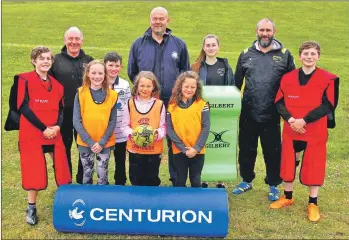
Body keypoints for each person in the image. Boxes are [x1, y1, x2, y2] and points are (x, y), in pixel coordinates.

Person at [270, 41, 339, 222]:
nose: (309, 57)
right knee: (287, 160)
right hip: (291, 127)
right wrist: (292, 120)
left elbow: (329, 104)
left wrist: (304, 120)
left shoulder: (329, 78)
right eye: (305, 54)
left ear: (318, 56)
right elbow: (279, 101)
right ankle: (287, 196)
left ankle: (312, 202)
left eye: (312, 54)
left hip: (315, 129)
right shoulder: (287, 78)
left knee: (314, 162)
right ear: (300, 56)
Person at [233, 18, 295, 201]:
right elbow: (236, 85)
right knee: (246, 148)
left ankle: (274, 184)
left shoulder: (285, 55)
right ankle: (246, 180)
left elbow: (292, 85)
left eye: (268, 30)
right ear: (256, 31)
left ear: (274, 31)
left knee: (273, 150)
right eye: (262, 30)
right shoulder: (246, 54)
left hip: (272, 113)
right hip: (248, 112)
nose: (265, 34)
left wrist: (288, 111)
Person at [128, 6, 190, 186]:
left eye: (161, 18)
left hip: (172, 103)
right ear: (150, 20)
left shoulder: (179, 44)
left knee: (173, 139)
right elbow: (133, 72)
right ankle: (142, 179)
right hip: (147, 104)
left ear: (168, 21)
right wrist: (146, 93)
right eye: (155, 18)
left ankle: (176, 178)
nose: (158, 21)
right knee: (144, 136)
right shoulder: (138, 44)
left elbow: (185, 73)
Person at [15, 46, 71, 225]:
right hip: (33, 133)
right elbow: (23, 106)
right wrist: (43, 128)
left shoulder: (58, 86)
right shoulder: (24, 79)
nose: (45, 61)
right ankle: (31, 207)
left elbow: (61, 109)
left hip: (53, 132)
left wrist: (56, 127)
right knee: (34, 169)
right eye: (41, 58)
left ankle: (66, 202)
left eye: (48, 58)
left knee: (61, 164)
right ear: (34, 61)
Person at [49, 26, 94, 184]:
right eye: (70, 38)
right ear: (65, 40)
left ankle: (83, 181)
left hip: (85, 114)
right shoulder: (55, 61)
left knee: (84, 148)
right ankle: (64, 181)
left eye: (77, 39)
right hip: (63, 114)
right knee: (63, 149)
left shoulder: (89, 61)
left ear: (82, 40)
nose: (73, 42)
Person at [192, 34, 234, 189]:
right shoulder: (196, 67)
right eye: (207, 45)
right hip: (202, 112)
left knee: (220, 143)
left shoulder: (225, 66)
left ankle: (220, 179)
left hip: (221, 113)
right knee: (205, 142)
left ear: (218, 47)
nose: (210, 48)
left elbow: (231, 87)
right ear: (204, 47)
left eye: (213, 45)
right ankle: (203, 177)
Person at [72, 60, 118, 185]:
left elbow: (112, 120)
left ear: (105, 75)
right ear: (87, 74)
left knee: (102, 174)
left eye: (100, 73)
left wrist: (102, 142)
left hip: (104, 142)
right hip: (85, 142)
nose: (97, 76)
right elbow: (76, 120)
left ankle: (101, 201)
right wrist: (90, 142)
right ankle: (87, 201)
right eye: (93, 73)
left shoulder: (112, 95)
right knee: (87, 174)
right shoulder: (80, 93)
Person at [121, 71, 166, 186]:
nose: (145, 89)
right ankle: (136, 203)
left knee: (152, 179)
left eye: (148, 86)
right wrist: (134, 134)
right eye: (142, 86)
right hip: (135, 150)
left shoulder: (160, 104)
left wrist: (157, 133)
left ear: (153, 87)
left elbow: (164, 127)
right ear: (136, 86)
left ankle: (151, 203)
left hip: (154, 151)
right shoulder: (130, 103)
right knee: (136, 179)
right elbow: (124, 126)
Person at [167, 71, 210, 187]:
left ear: (197, 88)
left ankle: (196, 204)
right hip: (179, 150)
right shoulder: (172, 106)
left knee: (195, 180)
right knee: (180, 180)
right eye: (186, 86)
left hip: (197, 150)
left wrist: (196, 148)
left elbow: (206, 128)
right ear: (180, 86)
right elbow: (169, 129)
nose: (189, 89)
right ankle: (180, 204)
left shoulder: (202, 105)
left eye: (193, 87)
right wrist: (183, 148)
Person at [104, 52, 131, 185]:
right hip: (103, 131)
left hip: (120, 131)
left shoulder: (125, 85)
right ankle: (103, 183)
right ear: (104, 65)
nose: (113, 68)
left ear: (121, 67)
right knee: (103, 159)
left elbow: (129, 105)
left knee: (120, 159)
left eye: (116, 65)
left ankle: (120, 183)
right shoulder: (99, 83)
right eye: (110, 65)